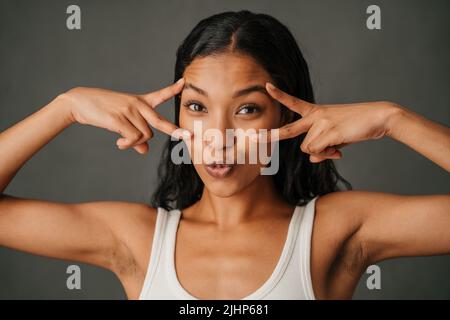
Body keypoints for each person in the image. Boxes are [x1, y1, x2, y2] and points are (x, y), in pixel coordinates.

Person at [0, 10, 449, 300]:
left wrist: (394, 119)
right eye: (197, 107)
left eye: (248, 109)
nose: (217, 135)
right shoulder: (136, 239)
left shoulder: (335, 232)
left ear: (285, 115)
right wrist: (67, 106)